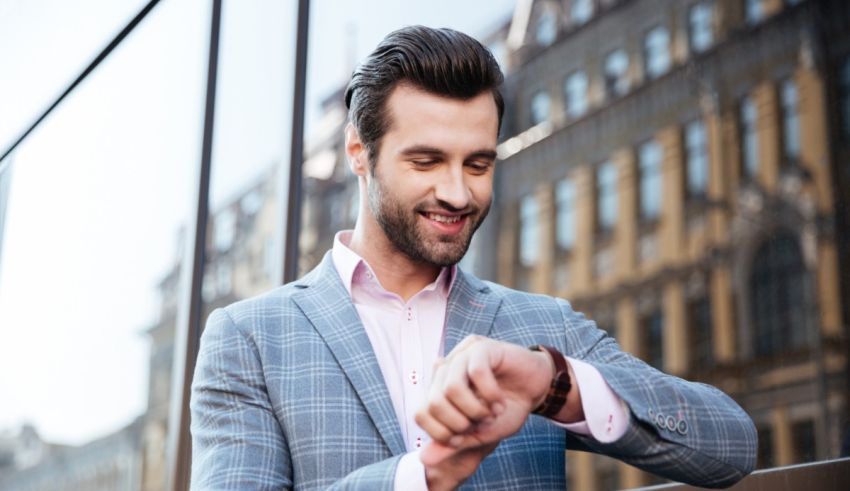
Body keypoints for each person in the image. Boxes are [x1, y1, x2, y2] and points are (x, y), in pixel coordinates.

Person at [190, 26, 757, 490]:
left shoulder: (540, 328)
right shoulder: (250, 338)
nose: (459, 193)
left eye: (479, 165)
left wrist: (553, 384)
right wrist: (423, 475)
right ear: (359, 153)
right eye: (428, 161)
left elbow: (732, 444)